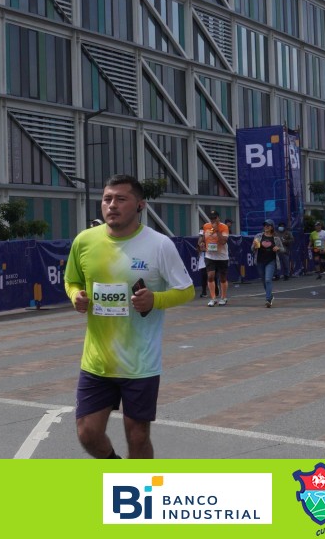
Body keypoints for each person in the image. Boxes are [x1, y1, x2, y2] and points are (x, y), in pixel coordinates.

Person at [64, 175, 194, 459]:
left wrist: (155, 299)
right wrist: (75, 296)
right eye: (107, 199)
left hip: (140, 363)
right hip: (97, 361)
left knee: (137, 437)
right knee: (87, 432)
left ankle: (138, 485)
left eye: (121, 199)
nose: (112, 205)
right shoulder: (84, 241)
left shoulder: (159, 245)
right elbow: (71, 280)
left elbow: (186, 290)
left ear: (139, 205)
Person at [251, 220, 284, 308]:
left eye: (268, 225)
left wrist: (278, 248)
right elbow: (252, 249)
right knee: (263, 280)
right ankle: (270, 295)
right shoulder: (258, 236)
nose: (266, 227)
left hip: (271, 261)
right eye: (265, 225)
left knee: (268, 279)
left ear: (272, 227)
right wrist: (254, 245)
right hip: (260, 261)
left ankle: (268, 299)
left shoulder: (276, 238)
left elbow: (283, 249)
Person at [203, 210, 230, 306]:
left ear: (218, 218)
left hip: (222, 256)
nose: (213, 220)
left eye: (214, 218)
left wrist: (217, 230)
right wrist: (201, 243)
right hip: (210, 255)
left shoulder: (224, 227)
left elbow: (223, 241)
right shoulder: (206, 226)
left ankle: (223, 297)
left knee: (222, 277)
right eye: (211, 218)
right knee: (210, 276)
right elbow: (202, 238)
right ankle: (213, 298)